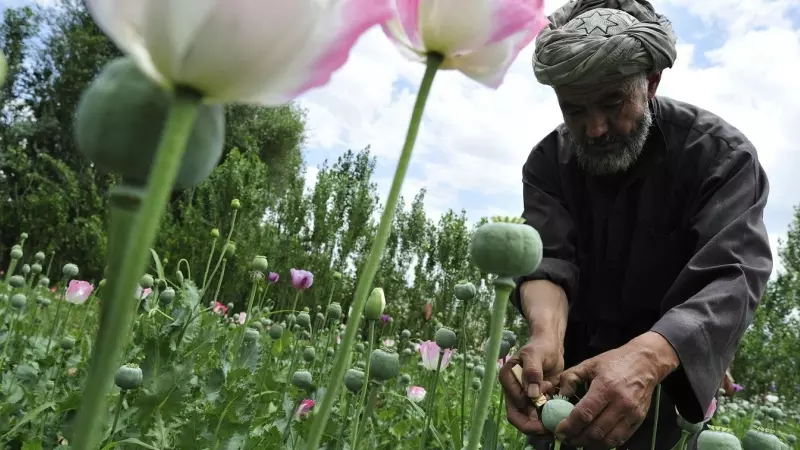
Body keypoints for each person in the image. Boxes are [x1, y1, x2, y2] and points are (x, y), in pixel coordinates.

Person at [497, 1, 774, 449]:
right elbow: (548, 258)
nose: (595, 129)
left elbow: (732, 275)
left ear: (650, 82)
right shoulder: (549, 162)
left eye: (612, 103)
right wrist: (546, 335)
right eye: (575, 110)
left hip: (665, 376)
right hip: (570, 377)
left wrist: (651, 356)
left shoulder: (720, 157)